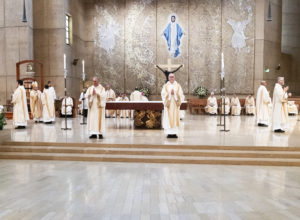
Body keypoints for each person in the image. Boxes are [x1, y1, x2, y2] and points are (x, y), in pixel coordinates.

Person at [161, 73, 184, 138]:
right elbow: (163, 94)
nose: (171, 78)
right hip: (169, 105)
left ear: (174, 77)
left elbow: (181, 94)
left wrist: (175, 94)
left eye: (172, 77)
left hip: (175, 105)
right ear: (168, 78)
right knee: (168, 118)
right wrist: (169, 94)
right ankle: (169, 133)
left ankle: (175, 133)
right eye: (170, 77)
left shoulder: (178, 86)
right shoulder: (165, 86)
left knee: (175, 118)